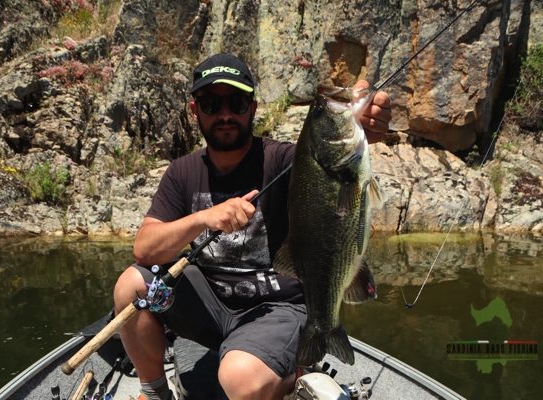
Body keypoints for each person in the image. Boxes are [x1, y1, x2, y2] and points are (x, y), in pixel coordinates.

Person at [114, 53, 392, 400]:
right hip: (210, 306)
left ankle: (290, 367)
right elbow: (144, 248)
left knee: (240, 379)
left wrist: (362, 108)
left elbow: (336, 148)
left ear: (254, 108)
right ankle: (155, 393)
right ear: (195, 110)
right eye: (212, 103)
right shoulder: (181, 172)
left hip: (277, 308)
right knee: (131, 286)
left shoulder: (287, 160)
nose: (225, 114)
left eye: (238, 102)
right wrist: (203, 217)